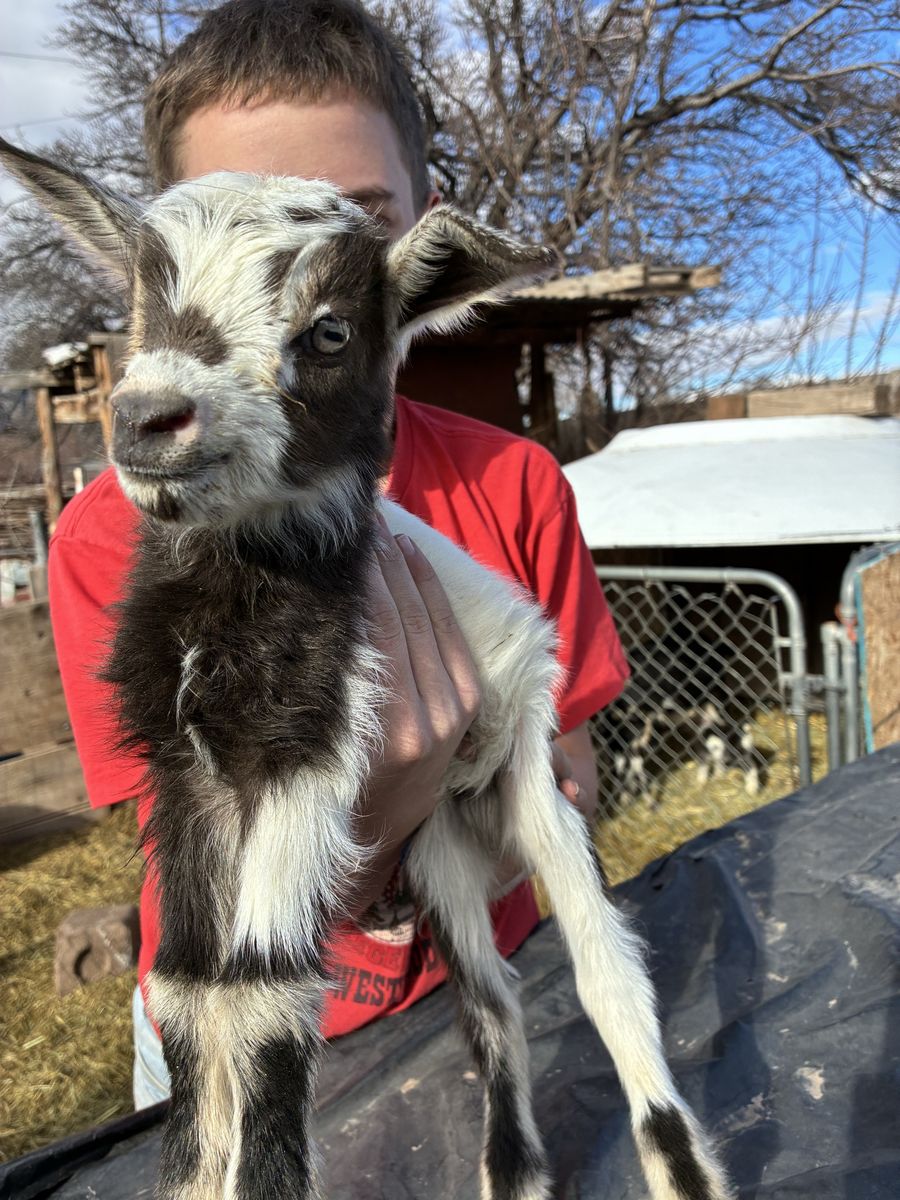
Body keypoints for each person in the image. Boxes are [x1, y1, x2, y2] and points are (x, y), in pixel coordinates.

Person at [48, 0, 628, 1110]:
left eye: (354, 226)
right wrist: (384, 813)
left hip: (482, 1007)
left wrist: (478, 810)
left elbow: (570, 779)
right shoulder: (109, 536)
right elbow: (190, 843)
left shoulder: (515, 483)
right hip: (235, 1035)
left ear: (424, 251)